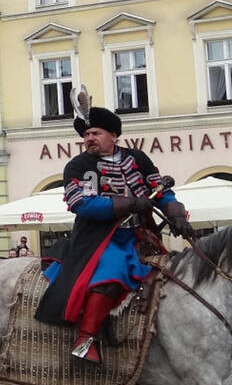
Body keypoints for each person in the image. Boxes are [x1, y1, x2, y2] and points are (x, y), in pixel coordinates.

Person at [36, 102, 191, 364]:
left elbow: (159, 189)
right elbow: (82, 204)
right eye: (86, 135)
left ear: (113, 136)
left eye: (95, 133)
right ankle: (84, 342)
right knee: (113, 273)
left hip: (141, 236)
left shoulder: (138, 158)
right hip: (99, 239)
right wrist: (130, 203)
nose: (89, 139)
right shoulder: (80, 166)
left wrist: (176, 213)